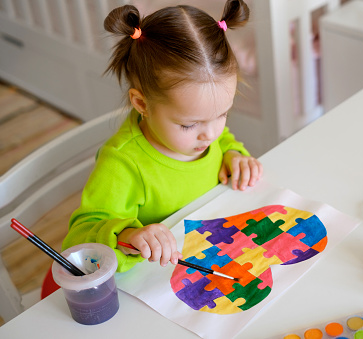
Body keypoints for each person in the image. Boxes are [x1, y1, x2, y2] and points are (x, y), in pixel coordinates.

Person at [62, 0, 263, 273]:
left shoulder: (205, 132)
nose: (210, 133)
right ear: (142, 104)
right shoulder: (122, 163)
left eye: (222, 114)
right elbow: (79, 238)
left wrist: (233, 153)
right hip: (157, 279)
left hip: (218, 249)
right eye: (189, 125)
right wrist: (126, 236)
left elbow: (222, 138)